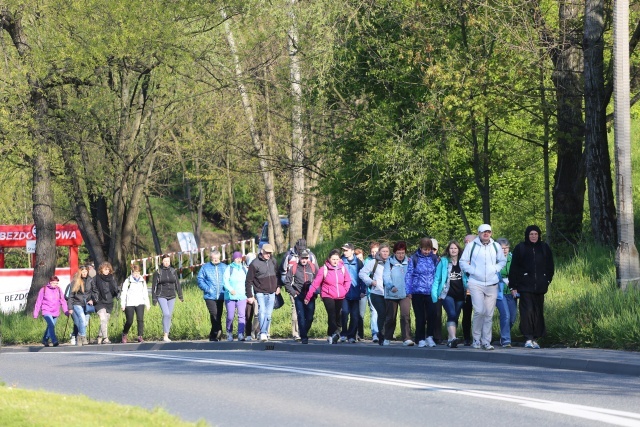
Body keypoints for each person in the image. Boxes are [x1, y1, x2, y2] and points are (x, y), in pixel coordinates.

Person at [460, 224, 506, 350]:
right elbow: (462, 262)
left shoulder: (496, 246)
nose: (486, 234)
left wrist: (495, 269)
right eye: (483, 232)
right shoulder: (471, 246)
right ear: (479, 233)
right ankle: (476, 339)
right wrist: (473, 271)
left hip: (492, 283)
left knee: (488, 313)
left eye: (488, 232)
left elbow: (502, 261)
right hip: (476, 283)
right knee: (479, 311)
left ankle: (486, 341)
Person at [509, 225, 554, 349]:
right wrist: (513, 286)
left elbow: (550, 265)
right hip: (524, 286)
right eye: (531, 234)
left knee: (537, 312)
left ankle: (536, 338)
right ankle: (528, 337)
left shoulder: (544, 248)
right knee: (527, 312)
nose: (533, 236)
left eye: (535, 234)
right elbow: (514, 268)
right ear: (527, 235)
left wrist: (547, 280)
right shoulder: (521, 248)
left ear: (539, 235)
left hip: (540, 287)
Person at [305, 249, 351, 344]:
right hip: (327, 295)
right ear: (329, 259)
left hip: (340, 296)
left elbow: (348, 280)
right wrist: (308, 297)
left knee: (338, 315)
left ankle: (334, 333)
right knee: (332, 314)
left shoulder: (342, 268)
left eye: (337, 259)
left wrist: (345, 290)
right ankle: (333, 334)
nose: (335, 261)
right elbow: (315, 283)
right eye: (333, 259)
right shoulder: (324, 269)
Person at [279, 239, 318, 341]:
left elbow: (318, 278)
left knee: (309, 317)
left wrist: (316, 291)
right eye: (302, 257)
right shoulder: (291, 259)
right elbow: (284, 274)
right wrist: (292, 292)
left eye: (306, 258)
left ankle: (303, 331)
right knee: (299, 315)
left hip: (310, 295)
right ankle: (302, 336)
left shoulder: (312, 264)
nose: (304, 260)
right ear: (299, 258)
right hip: (297, 294)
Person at [405, 238, 440, 347]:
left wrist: (437, 290)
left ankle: (429, 336)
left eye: (428, 249)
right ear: (420, 248)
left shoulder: (434, 258)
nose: (426, 251)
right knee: (420, 317)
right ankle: (420, 338)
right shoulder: (414, 258)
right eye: (424, 249)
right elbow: (408, 275)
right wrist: (408, 290)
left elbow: (437, 275)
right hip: (417, 292)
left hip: (431, 292)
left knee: (432, 315)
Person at [432, 240, 468, 348]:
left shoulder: (463, 262)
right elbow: (437, 279)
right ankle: (453, 338)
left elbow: (468, 276)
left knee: (455, 316)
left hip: (461, 294)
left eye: (455, 248)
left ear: (459, 250)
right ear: (448, 250)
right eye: (451, 248)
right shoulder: (443, 261)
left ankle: (450, 339)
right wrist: (434, 294)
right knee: (451, 314)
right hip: (447, 293)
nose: (453, 250)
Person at [245, 244, 279, 342]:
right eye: (267, 253)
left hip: (272, 292)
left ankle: (263, 332)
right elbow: (248, 281)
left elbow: (278, 275)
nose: (268, 254)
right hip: (259, 292)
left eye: (270, 253)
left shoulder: (273, 261)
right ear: (262, 251)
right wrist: (249, 295)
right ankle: (263, 333)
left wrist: (278, 286)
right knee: (262, 312)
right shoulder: (254, 264)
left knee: (269, 314)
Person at [382, 241, 413, 346]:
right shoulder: (389, 262)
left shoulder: (409, 261)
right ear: (395, 252)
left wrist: (410, 290)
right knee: (390, 317)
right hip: (391, 294)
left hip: (405, 294)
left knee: (405, 316)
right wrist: (391, 286)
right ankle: (387, 337)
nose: (401, 255)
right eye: (398, 253)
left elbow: (411, 277)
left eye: (402, 253)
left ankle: (407, 338)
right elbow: (386, 277)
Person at [359, 243, 390, 346]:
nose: (385, 253)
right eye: (383, 251)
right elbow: (362, 273)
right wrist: (371, 281)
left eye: (387, 251)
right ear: (379, 252)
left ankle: (387, 336)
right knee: (381, 313)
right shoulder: (374, 262)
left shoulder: (392, 262)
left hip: (389, 293)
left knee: (389, 315)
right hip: (376, 293)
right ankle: (381, 337)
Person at [197, 250, 227, 341]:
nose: (215, 260)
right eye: (214, 258)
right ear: (211, 258)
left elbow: (229, 279)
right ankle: (219, 331)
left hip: (221, 295)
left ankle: (213, 335)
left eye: (217, 258)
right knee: (214, 314)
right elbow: (200, 279)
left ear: (220, 258)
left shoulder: (225, 267)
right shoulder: (205, 267)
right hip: (210, 296)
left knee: (219, 315)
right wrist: (207, 289)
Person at [152, 254, 183, 342]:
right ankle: (165, 335)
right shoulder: (158, 272)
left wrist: (180, 296)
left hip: (172, 296)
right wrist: (154, 299)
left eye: (168, 261)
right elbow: (154, 286)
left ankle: (167, 334)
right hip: (161, 295)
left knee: (169, 315)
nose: (166, 263)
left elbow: (177, 283)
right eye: (165, 261)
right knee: (166, 314)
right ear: (162, 261)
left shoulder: (173, 271)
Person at [33, 276, 70, 347]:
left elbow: (63, 301)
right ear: (50, 282)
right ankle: (54, 340)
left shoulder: (59, 290)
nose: (55, 285)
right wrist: (35, 313)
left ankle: (45, 339)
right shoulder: (43, 289)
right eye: (54, 283)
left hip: (55, 311)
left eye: (57, 283)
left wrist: (66, 311)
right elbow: (38, 302)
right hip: (46, 310)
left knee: (50, 326)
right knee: (51, 325)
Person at [340, 243, 365, 343]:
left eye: (346, 250)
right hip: (344, 293)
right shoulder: (340, 261)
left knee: (355, 316)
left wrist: (363, 290)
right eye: (344, 250)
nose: (345, 252)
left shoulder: (359, 263)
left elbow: (362, 277)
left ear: (352, 251)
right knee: (345, 313)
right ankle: (343, 333)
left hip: (355, 292)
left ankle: (351, 336)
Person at [120, 264, 150, 343]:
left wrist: (147, 304)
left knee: (140, 319)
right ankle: (124, 333)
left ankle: (140, 336)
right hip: (130, 303)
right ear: (132, 272)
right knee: (129, 321)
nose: (136, 275)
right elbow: (124, 293)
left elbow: (145, 293)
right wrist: (123, 304)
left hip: (140, 302)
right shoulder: (128, 281)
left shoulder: (142, 281)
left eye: (138, 272)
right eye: (135, 273)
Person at [223, 251, 248, 341]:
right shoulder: (229, 268)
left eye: (240, 258)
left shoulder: (244, 269)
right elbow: (225, 281)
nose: (238, 260)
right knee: (230, 316)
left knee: (242, 315)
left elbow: (248, 282)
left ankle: (241, 334)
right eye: (237, 258)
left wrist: (250, 294)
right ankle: (229, 332)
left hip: (242, 296)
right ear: (233, 259)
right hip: (230, 296)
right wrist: (230, 289)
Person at [66, 266, 94, 346]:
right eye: (83, 272)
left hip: (87, 304)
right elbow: (70, 296)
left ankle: (78, 335)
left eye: (86, 272)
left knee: (84, 322)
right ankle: (83, 336)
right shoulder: (75, 282)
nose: (85, 273)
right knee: (81, 317)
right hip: (77, 303)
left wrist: (93, 299)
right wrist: (70, 308)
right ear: (80, 272)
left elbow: (95, 291)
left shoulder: (90, 280)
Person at [358, 242, 380, 342]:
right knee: (374, 311)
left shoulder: (384, 260)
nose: (374, 253)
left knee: (382, 312)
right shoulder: (368, 261)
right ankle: (375, 333)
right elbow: (363, 275)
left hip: (381, 291)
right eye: (372, 251)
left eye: (376, 251)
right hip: (371, 290)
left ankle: (383, 332)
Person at [93, 262, 119, 344]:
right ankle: (106, 338)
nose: (107, 271)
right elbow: (93, 289)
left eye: (108, 269)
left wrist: (118, 293)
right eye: (105, 269)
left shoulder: (111, 278)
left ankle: (99, 336)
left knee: (105, 321)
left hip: (109, 302)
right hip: (99, 301)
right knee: (103, 319)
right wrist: (93, 298)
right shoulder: (96, 278)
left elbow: (115, 288)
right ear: (101, 269)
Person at [495, 237, 514, 348]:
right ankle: (506, 340)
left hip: (512, 291)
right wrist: (503, 279)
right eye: (502, 248)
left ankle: (503, 334)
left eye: (506, 248)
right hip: (500, 291)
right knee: (505, 314)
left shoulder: (513, 258)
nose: (505, 250)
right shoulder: (494, 260)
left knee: (512, 317)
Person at [243, 252, 260, 341]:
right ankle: (248, 334)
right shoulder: (243, 269)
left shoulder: (257, 267)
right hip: (247, 295)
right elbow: (244, 283)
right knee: (248, 316)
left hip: (257, 294)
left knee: (257, 315)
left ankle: (257, 332)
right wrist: (248, 295)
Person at [430, 238, 443, 345]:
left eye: (434, 250)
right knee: (424, 315)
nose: (431, 252)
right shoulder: (419, 259)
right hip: (424, 291)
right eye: (429, 249)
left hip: (437, 291)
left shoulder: (440, 260)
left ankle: (437, 337)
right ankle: (425, 336)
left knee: (437, 314)